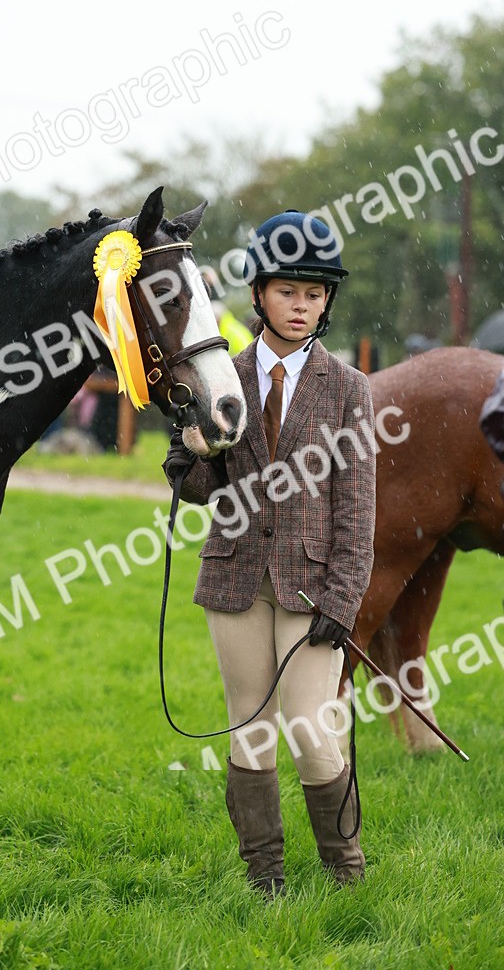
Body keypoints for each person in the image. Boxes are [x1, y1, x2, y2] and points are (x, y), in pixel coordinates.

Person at [163, 209, 376, 898]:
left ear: (328, 301)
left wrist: (344, 601)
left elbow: (357, 509)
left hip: (314, 588)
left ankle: (346, 873)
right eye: (289, 291)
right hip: (235, 577)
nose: (302, 305)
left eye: (315, 294)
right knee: (249, 728)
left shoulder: (349, 390)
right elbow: (196, 488)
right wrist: (194, 451)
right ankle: (266, 878)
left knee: (314, 731)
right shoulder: (219, 376)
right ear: (259, 294)